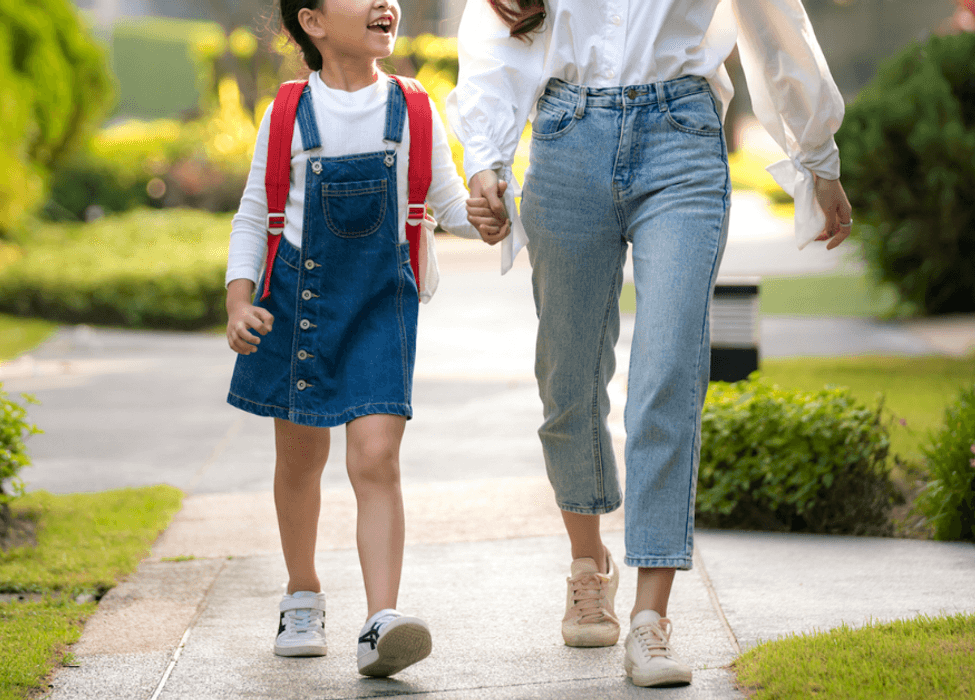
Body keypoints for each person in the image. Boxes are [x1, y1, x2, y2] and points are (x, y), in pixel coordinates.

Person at [447, 0, 854, 688]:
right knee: (566, 378)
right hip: (566, 133)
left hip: (681, 138)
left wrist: (816, 153)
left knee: (667, 372)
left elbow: (774, 22)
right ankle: (587, 567)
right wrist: (485, 155)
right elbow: (496, 25)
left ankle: (650, 618)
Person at [224, 0, 482, 678]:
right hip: (297, 304)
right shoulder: (285, 113)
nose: (383, 3)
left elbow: (448, 204)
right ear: (311, 22)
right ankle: (302, 592)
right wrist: (237, 300)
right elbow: (254, 214)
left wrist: (485, 213)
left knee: (375, 459)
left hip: (378, 306)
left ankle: (380, 620)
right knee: (300, 460)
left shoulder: (413, 108)